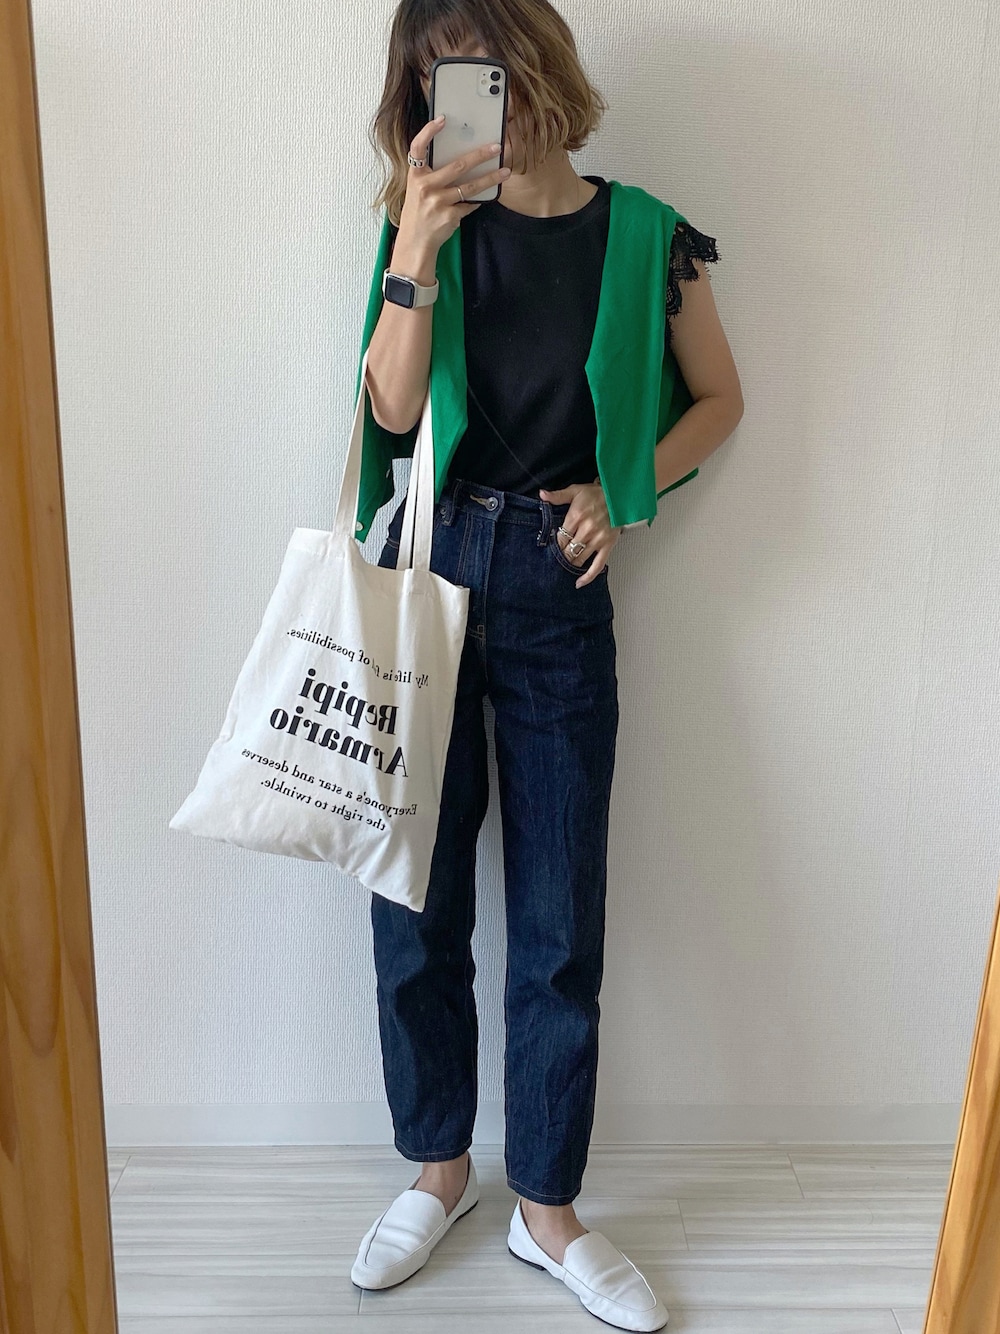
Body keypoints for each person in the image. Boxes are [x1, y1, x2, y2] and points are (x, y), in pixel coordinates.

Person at [350, 3, 744, 1329]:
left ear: (539, 62)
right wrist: (415, 245)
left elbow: (721, 400)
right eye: (438, 77)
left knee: (561, 917)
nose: (471, 96)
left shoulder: (645, 236)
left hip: (560, 594)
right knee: (414, 900)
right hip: (433, 575)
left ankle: (548, 1209)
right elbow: (391, 408)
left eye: (486, 66)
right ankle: (439, 1167)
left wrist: (622, 494)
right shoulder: (427, 232)